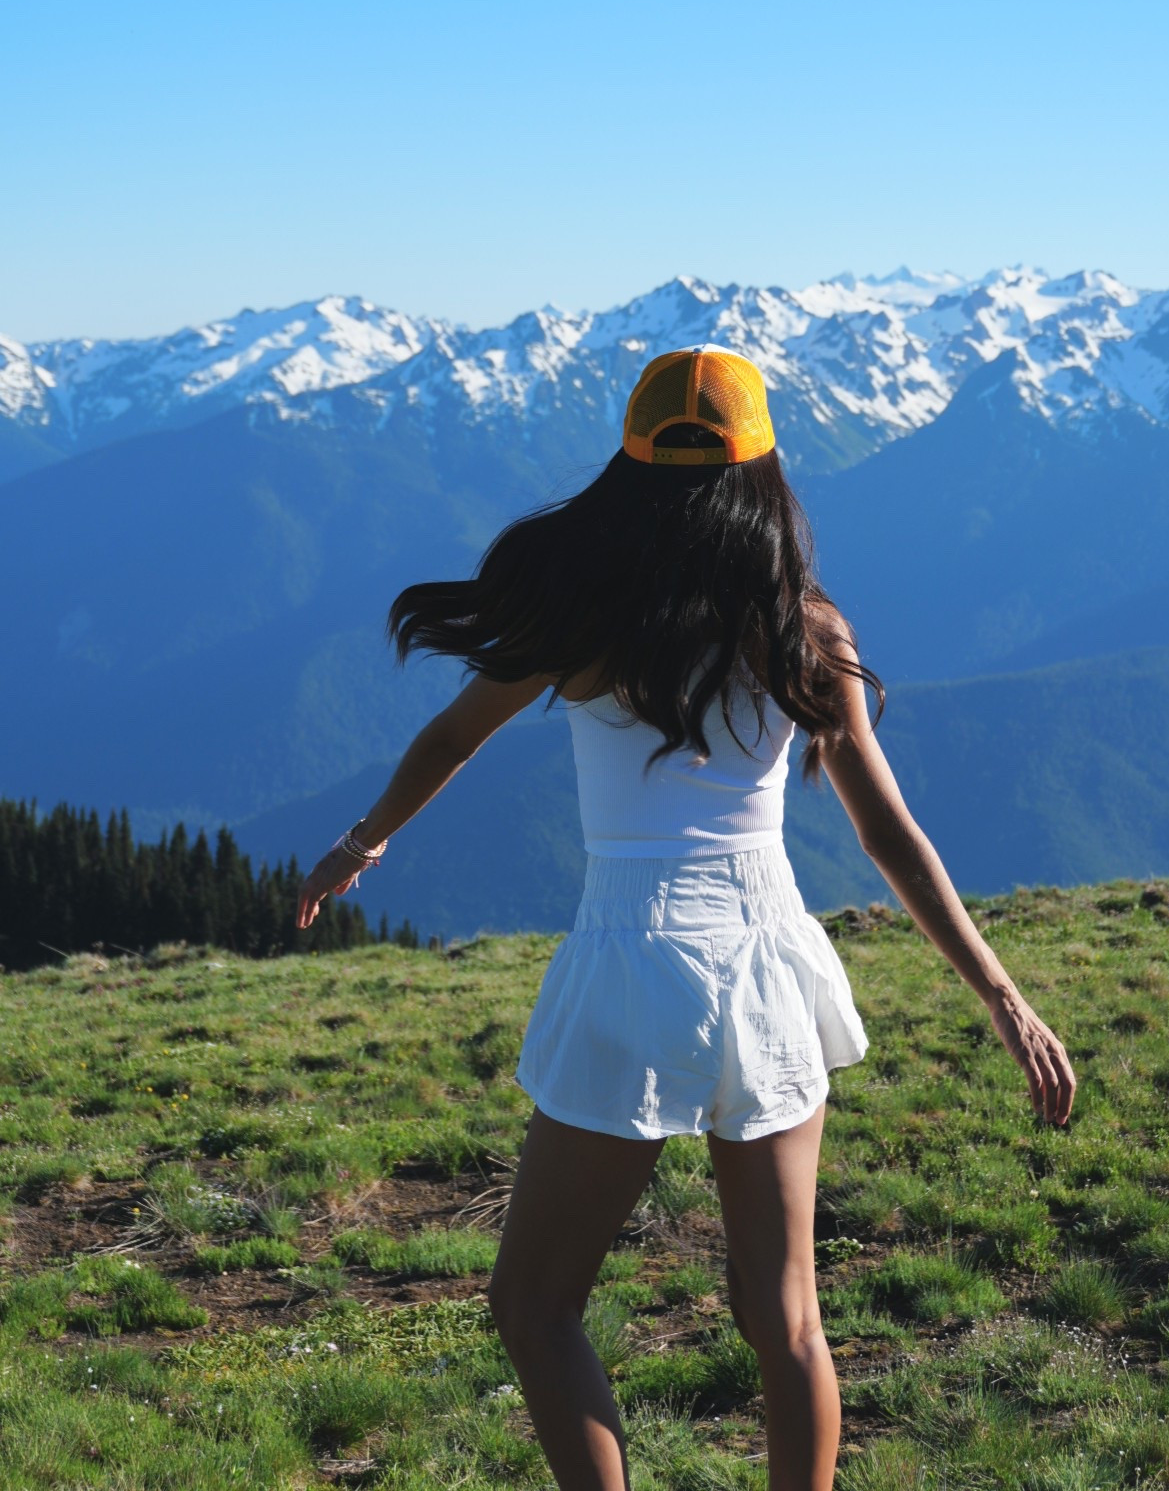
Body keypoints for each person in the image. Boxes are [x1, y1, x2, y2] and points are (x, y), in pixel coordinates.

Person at [296, 343, 1075, 1491]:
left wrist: (361, 840)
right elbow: (890, 833)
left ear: (629, 461)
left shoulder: (583, 618)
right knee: (786, 1319)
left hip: (633, 962)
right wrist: (1003, 997)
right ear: (764, 472)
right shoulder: (808, 628)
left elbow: (451, 737)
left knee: (534, 1299)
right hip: (768, 966)